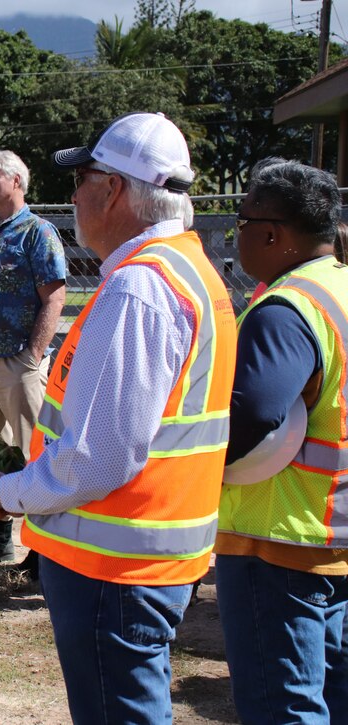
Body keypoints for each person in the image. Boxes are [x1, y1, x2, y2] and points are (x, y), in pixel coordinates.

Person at [0, 112, 238, 723]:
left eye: (82, 177)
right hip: (151, 553)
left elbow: (97, 456)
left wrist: (5, 491)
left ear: (113, 189)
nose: (73, 193)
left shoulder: (137, 289)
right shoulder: (187, 269)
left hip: (115, 564)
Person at [215, 158, 348, 724]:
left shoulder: (287, 308)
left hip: (276, 538)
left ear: (271, 233)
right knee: (336, 695)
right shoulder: (340, 286)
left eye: (240, 222)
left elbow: (255, 411)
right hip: (335, 526)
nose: (234, 235)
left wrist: (199, 468)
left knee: (284, 704)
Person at [0, 150, 67, 568]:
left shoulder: (38, 233)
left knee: (34, 455)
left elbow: (54, 296)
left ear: (17, 182)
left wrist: (33, 355)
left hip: (17, 362)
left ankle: (43, 552)